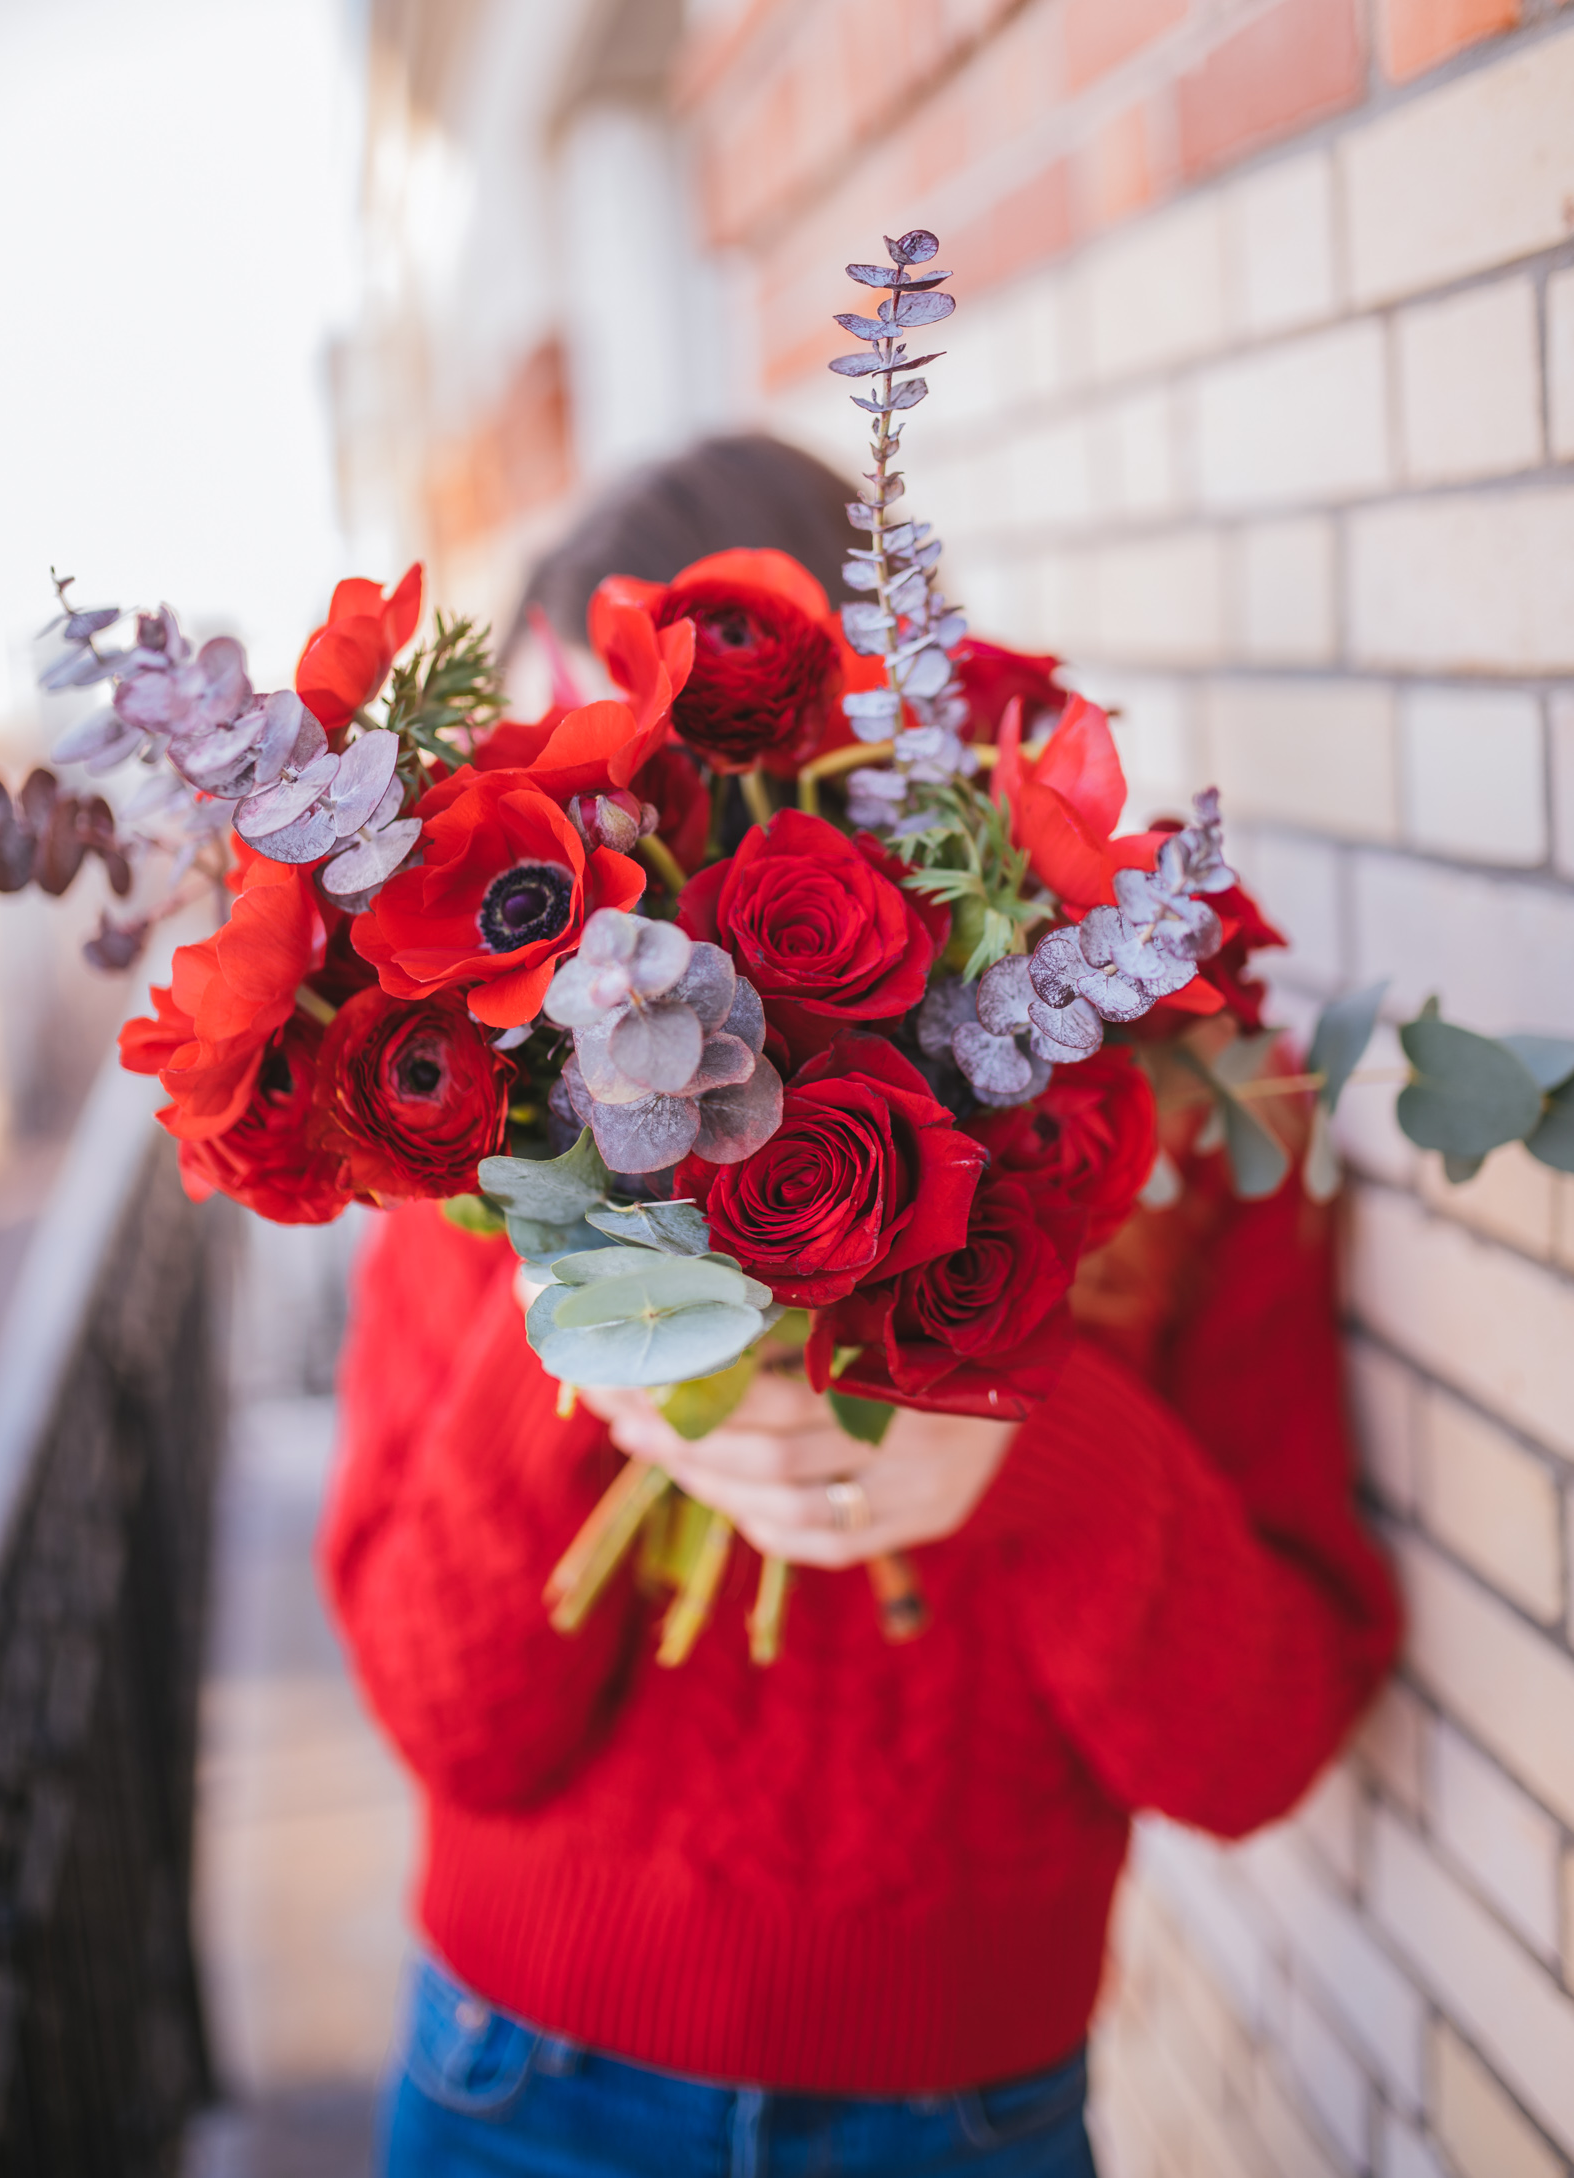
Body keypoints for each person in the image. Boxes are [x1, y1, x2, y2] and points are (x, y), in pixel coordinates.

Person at [322, 435, 1398, 2176]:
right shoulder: (462, 1130)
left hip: (969, 2112)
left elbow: (1254, 1743)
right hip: (522, 2081)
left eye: (630, 770)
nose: (592, 860)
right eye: (543, 779)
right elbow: (452, 1718)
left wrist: (1034, 1441)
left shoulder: (1175, 1107)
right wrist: (588, 1348)